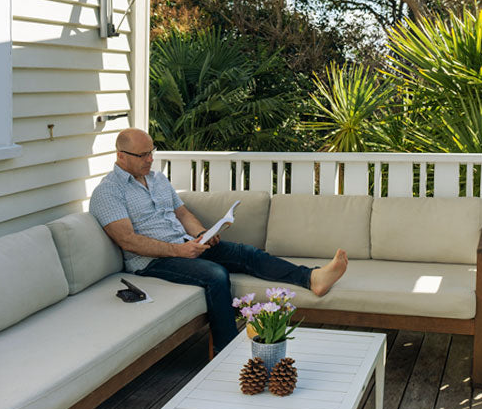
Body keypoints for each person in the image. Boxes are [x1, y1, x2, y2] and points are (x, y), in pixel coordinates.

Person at [89, 128, 348, 352]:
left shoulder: (157, 179)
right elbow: (128, 241)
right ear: (121, 156)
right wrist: (179, 251)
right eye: (143, 155)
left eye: (151, 151)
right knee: (215, 274)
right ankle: (226, 348)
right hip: (151, 262)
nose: (150, 159)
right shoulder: (109, 191)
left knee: (247, 253)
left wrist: (202, 234)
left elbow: (181, 213)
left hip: (185, 245)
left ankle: (311, 278)